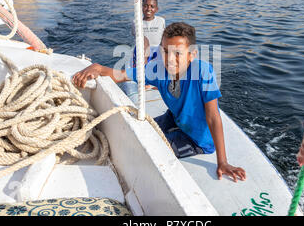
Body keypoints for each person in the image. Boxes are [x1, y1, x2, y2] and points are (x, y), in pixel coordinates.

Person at [73, 22, 246, 182]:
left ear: (192, 54)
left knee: (152, 150)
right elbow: (121, 75)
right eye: (165, 51)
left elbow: (213, 117)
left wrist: (222, 161)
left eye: (178, 53)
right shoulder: (157, 69)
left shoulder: (203, 72)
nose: (170, 59)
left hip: (198, 139)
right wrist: (98, 68)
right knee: (142, 132)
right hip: (176, 117)